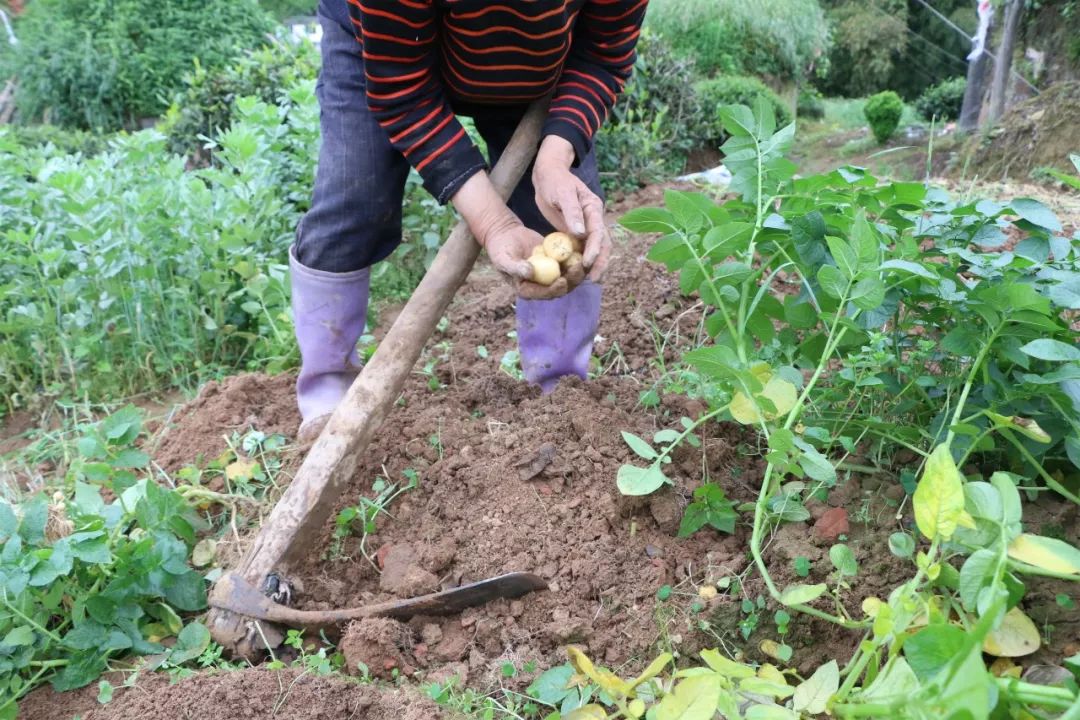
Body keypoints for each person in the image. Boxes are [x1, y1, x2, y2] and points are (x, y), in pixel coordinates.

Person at [290, 0, 649, 439]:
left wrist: (555, 158)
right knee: (353, 203)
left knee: (564, 224)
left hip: (536, 65)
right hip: (385, 54)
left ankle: (560, 394)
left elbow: (602, 53)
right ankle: (327, 393)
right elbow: (404, 93)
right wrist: (493, 223)